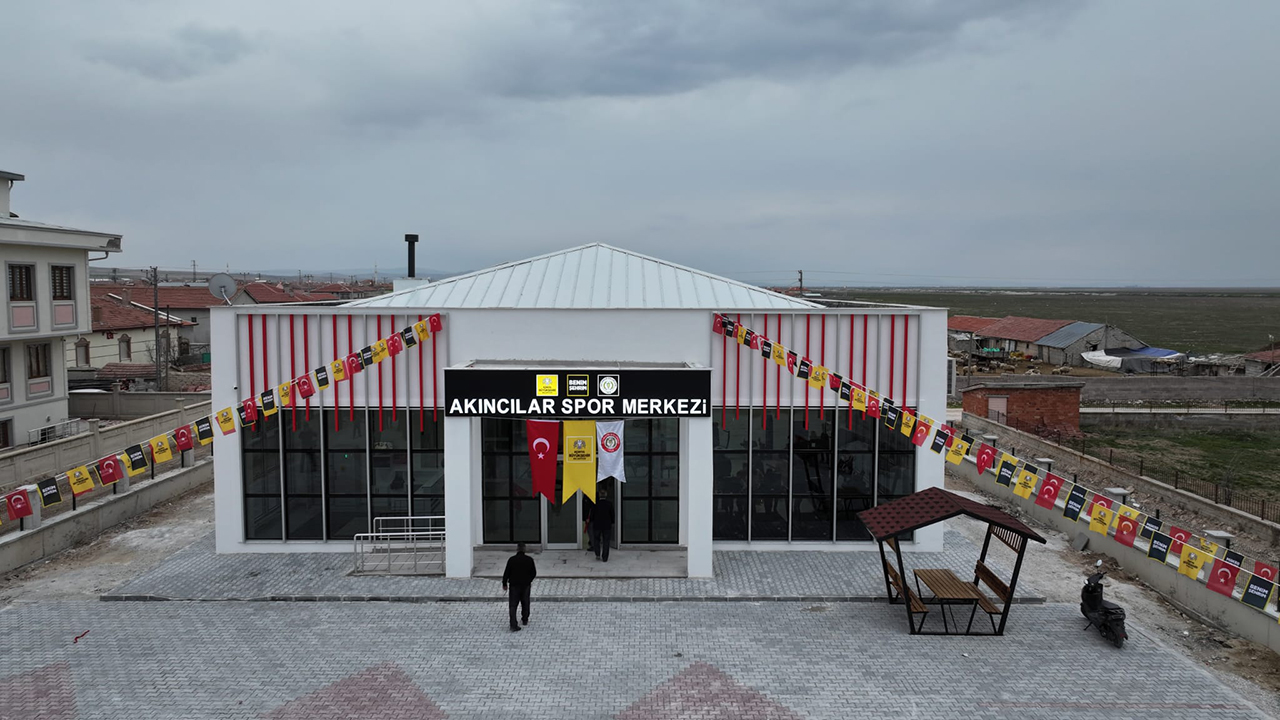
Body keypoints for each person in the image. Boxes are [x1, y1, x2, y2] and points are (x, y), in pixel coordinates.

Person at [502, 542, 537, 631]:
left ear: (517, 549)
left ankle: (513, 624)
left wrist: (504, 583)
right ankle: (525, 619)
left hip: (514, 586)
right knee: (525, 602)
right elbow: (533, 573)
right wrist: (529, 580)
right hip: (525, 585)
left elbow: (506, 573)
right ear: (525, 549)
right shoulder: (529, 560)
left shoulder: (512, 560)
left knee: (513, 605)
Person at [590, 487, 615, 562]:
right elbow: (612, 514)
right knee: (606, 541)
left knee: (596, 540)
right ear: (606, 495)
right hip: (607, 525)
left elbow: (592, 515)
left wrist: (591, 521)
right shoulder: (609, 504)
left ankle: (597, 554)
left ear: (599, 495)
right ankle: (605, 557)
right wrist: (612, 522)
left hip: (597, 525)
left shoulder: (595, 504)